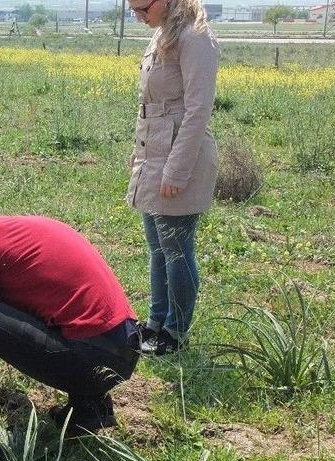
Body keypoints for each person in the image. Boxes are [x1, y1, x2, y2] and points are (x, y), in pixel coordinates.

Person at [0, 203, 140, 461]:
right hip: (124, 348)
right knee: (61, 314)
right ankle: (88, 411)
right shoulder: (19, 229)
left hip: (88, 359)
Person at [125, 0, 220, 355]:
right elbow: (152, 105)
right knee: (158, 249)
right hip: (154, 155)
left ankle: (175, 332)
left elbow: (197, 110)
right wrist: (140, 150)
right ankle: (155, 323)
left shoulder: (196, 37)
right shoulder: (163, 33)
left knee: (177, 251)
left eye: (141, 8)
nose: (138, 16)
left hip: (180, 158)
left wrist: (176, 169)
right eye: (132, 10)